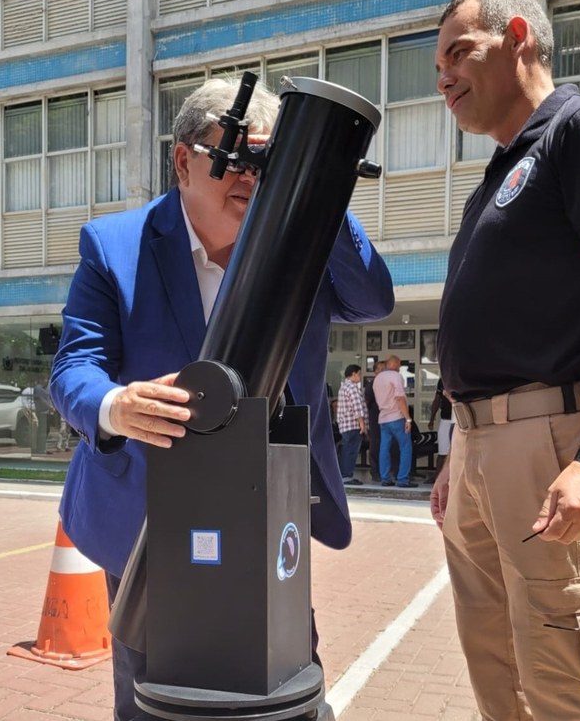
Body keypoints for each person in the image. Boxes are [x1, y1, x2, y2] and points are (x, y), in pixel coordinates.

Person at [49, 77, 395, 720]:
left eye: (268, 160)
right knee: (153, 698)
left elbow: (374, 298)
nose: (249, 177)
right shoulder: (114, 246)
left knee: (286, 689)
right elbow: (74, 367)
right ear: (183, 160)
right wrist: (115, 406)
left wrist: (313, 176)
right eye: (235, 158)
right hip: (145, 517)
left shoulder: (297, 243)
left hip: (268, 515)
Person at [430, 0, 580, 718]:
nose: (444, 77)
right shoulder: (496, 175)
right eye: (437, 65)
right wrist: (461, 451)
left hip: (547, 448)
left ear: (518, 36)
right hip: (481, 453)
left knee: (563, 685)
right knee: (497, 678)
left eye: (459, 52)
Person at [372, 355, 415, 488]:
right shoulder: (396, 376)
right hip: (396, 417)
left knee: (384, 448)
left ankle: (385, 478)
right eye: (400, 365)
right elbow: (400, 398)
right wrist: (408, 418)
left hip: (383, 418)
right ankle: (402, 479)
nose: (400, 367)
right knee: (405, 447)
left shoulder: (377, 378)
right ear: (396, 364)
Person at [337, 364, 367, 486]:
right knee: (351, 451)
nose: (360, 376)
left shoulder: (343, 387)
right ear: (353, 374)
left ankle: (344, 474)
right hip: (352, 425)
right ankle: (347, 475)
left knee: (346, 450)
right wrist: (362, 424)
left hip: (345, 425)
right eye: (359, 374)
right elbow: (357, 407)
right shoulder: (352, 388)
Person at [426, 377, 454, 480]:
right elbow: (437, 400)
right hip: (446, 420)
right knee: (442, 452)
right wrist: (432, 419)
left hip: (461, 420)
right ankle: (437, 478)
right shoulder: (443, 380)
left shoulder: (463, 376)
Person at [364, 360, 386, 481]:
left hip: (387, 419)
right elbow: (366, 403)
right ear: (375, 371)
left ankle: (386, 472)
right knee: (375, 445)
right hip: (374, 420)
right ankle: (375, 472)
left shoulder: (388, 383)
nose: (383, 372)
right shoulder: (371, 385)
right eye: (380, 369)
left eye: (385, 369)